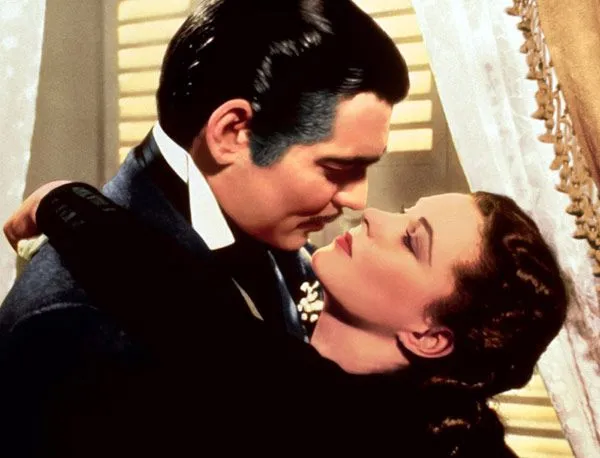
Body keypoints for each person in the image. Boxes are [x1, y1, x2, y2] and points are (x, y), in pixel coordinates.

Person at [0, 1, 408, 455]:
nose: (358, 201)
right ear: (233, 132)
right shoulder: (74, 323)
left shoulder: (289, 247)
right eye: (337, 168)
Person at [3, 181, 568, 457]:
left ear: (429, 336)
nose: (374, 215)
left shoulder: (338, 420)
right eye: (404, 213)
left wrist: (60, 199)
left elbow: (184, 305)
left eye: (411, 241)